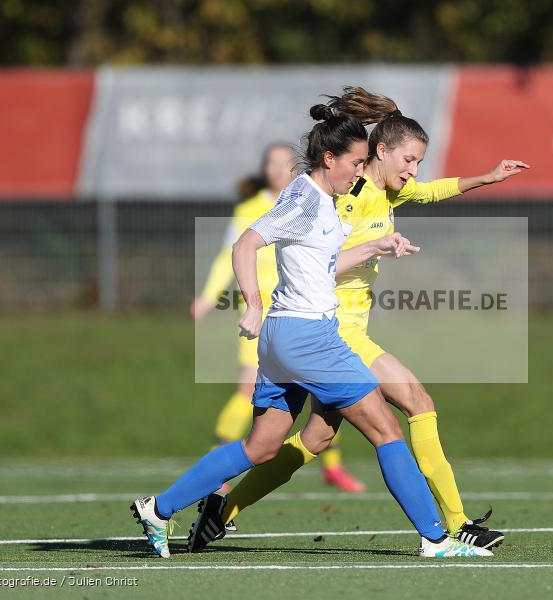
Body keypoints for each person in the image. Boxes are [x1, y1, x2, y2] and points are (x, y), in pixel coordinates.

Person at [132, 98, 491, 559]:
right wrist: (252, 304)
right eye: (355, 163)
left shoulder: (322, 199)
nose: (359, 172)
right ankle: (438, 540)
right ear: (330, 159)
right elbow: (246, 244)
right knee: (387, 430)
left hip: (284, 338)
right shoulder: (306, 200)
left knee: (261, 446)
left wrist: (377, 245)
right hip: (310, 337)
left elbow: (322, 265)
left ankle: (159, 510)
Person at [192, 142, 366, 494]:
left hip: (305, 312)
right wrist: (209, 298)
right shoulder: (253, 208)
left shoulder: (312, 199)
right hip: (266, 314)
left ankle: (331, 466)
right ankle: (217, 466)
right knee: (250, 392)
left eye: (285, 163)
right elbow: (234, 252)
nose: (278, 169)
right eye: (272, 163)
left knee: (326, 394)